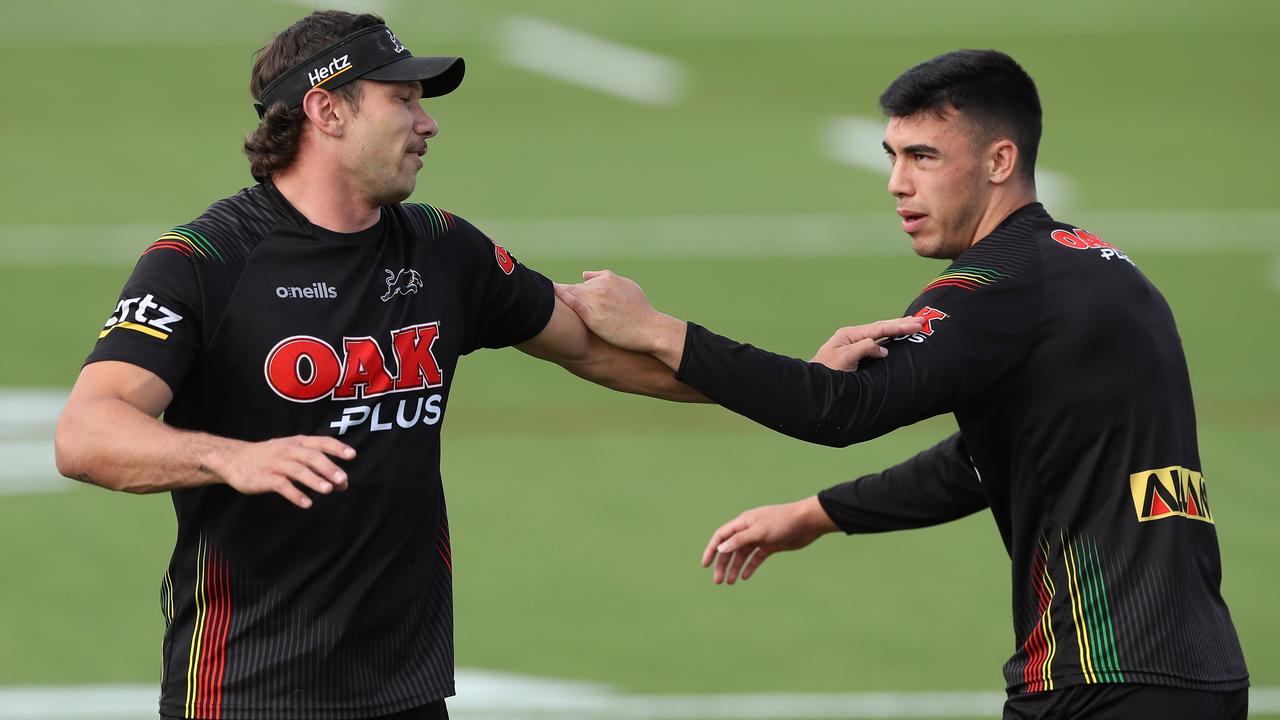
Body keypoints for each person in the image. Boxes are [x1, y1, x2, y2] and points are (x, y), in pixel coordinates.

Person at [53, 10, 911, 719]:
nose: (428, 122)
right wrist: (230, 457)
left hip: (406, 686)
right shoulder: (205, 260)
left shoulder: (443, 250)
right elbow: (87, 433)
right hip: (243, 689)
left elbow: (608, 356)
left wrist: (794, 373)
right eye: (403, 100)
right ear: (327, 111)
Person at [556, 49, 1249, 719]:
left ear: (1000, 161)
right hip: (1200, 672)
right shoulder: (1105, 271)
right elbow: (984, 463)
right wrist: (817, 515)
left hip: (1101, 678)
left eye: (924, 157)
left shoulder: (997, 284)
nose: (896, 182)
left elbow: (841, 407)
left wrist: (656, 330)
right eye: (892, 156)